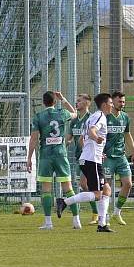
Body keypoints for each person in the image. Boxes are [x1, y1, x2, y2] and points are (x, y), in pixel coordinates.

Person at [57, 92, 114, 232]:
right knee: (97, 194)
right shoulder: (99, 116)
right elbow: (92, 132)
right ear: (105, 104)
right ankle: (64, 201)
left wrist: (95, 151)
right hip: (91, 160)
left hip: (89, 158)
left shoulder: (92, 117)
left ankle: (102, 224)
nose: (112, 106)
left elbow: (82, 140)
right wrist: (96, 140)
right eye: (111, 103)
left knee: (106, 190)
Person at [27, 91, 79, 230]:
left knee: (46, 190)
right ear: (55, 102)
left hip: (46, 156)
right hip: (61, 155)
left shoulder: (38, 117)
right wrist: (64, 99)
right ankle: (76, 220)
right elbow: (75, 114)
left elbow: (33, 139)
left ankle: (48, 223)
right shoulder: (62, 113)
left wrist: (29, 158)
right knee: (68, 188)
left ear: (43, 102)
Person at [104, 91, 134, 225]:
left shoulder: (125, 117)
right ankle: (104, 214)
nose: (122, 104)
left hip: (121, 156)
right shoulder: (105, 117)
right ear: (112, 101)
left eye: (124, 102)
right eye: (120, 101)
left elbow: (127, 135)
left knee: (128, 184)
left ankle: (117, 212)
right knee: (106, 186)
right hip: (107, 157)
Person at [66, 93, 98, 224]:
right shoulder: (74, 121)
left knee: (87, 184)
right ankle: (99, 212)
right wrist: (66, 142)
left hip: (92, 156)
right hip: (80, 157)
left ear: (87, 103)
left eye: (79, 101)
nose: (76, 103)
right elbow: (68, 138)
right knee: (86, 185)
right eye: (76, 101)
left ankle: (98, 213)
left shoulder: (92, 119)